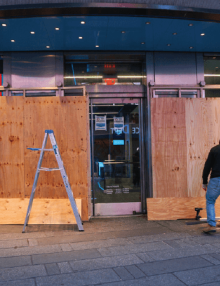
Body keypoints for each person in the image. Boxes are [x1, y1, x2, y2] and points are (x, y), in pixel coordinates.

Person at [202, 141, 220, 233]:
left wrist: (204, 182)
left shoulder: (215, 150)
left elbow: (207, 166)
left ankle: (211, 225)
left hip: (216, 179)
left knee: (210, 201)